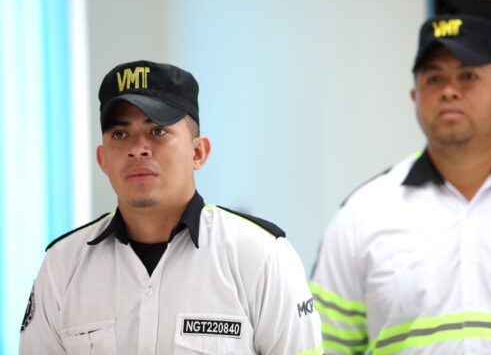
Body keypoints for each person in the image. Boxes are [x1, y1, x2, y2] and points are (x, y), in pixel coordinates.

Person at [310, 14, 491, 354]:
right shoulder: (363, 214)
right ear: (414, 95)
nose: (449, 91)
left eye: (468, 76)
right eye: (434, 78)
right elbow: (324, 346)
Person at [20, 60, 323, 354]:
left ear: (198, 152)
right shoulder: (63, 265)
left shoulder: (261, 256)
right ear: (103, 159)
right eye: (120, 134)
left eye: (158, 131)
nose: (137, 148)